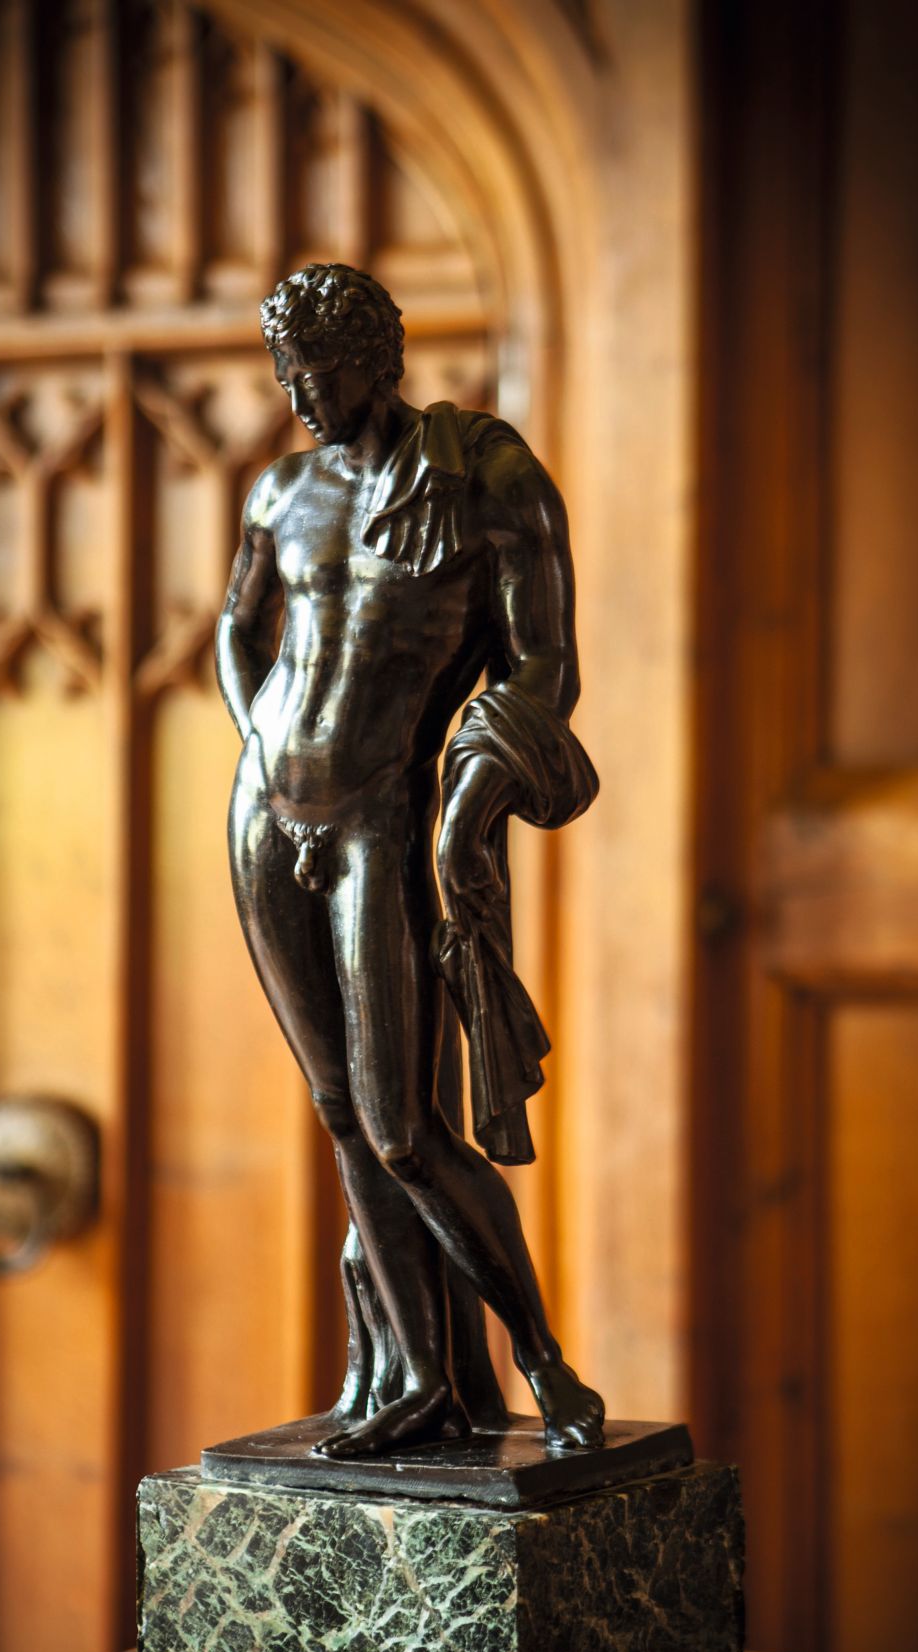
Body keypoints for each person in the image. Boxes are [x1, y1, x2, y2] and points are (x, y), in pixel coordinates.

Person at [217, 263, 604, 1459]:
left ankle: (541, 1361)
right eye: (285, 376)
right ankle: (423, 1376)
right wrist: (263, 745)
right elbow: (237, 630)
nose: (299, 400)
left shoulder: (485, 478)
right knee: (337, 1110)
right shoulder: (281, 494)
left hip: (381, 819)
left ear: (376, 355)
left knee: (398, 1125)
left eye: (318, 373)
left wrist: (474, 787)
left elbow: (545, 667)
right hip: (263, 824)